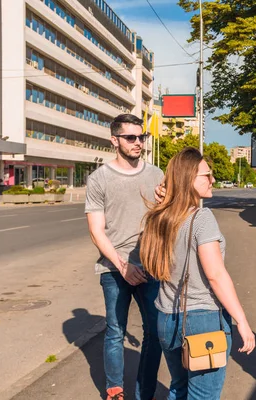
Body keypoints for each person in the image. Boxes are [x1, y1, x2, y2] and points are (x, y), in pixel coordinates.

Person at [141, 147, 255, 400]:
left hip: (166, 317)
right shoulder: (201, 218)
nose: (212, 179)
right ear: (188, 180)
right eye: (206, 175)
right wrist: (242, 320)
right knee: (202, 396)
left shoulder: (158, 217)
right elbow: (215, 274)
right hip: (203, 320)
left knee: (179, 388)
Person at [85, 113, 164, 400]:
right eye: (130, 137)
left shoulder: (156, 175)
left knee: (155, 332)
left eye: (141, 137)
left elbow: (166, 219)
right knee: (115, 331)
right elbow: (96, 231)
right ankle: (115, 390)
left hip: (151, 267)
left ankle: (145, 391)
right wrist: (123, 265)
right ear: (114, 141)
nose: (138, 143)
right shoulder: (99, 179)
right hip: (113, 269)